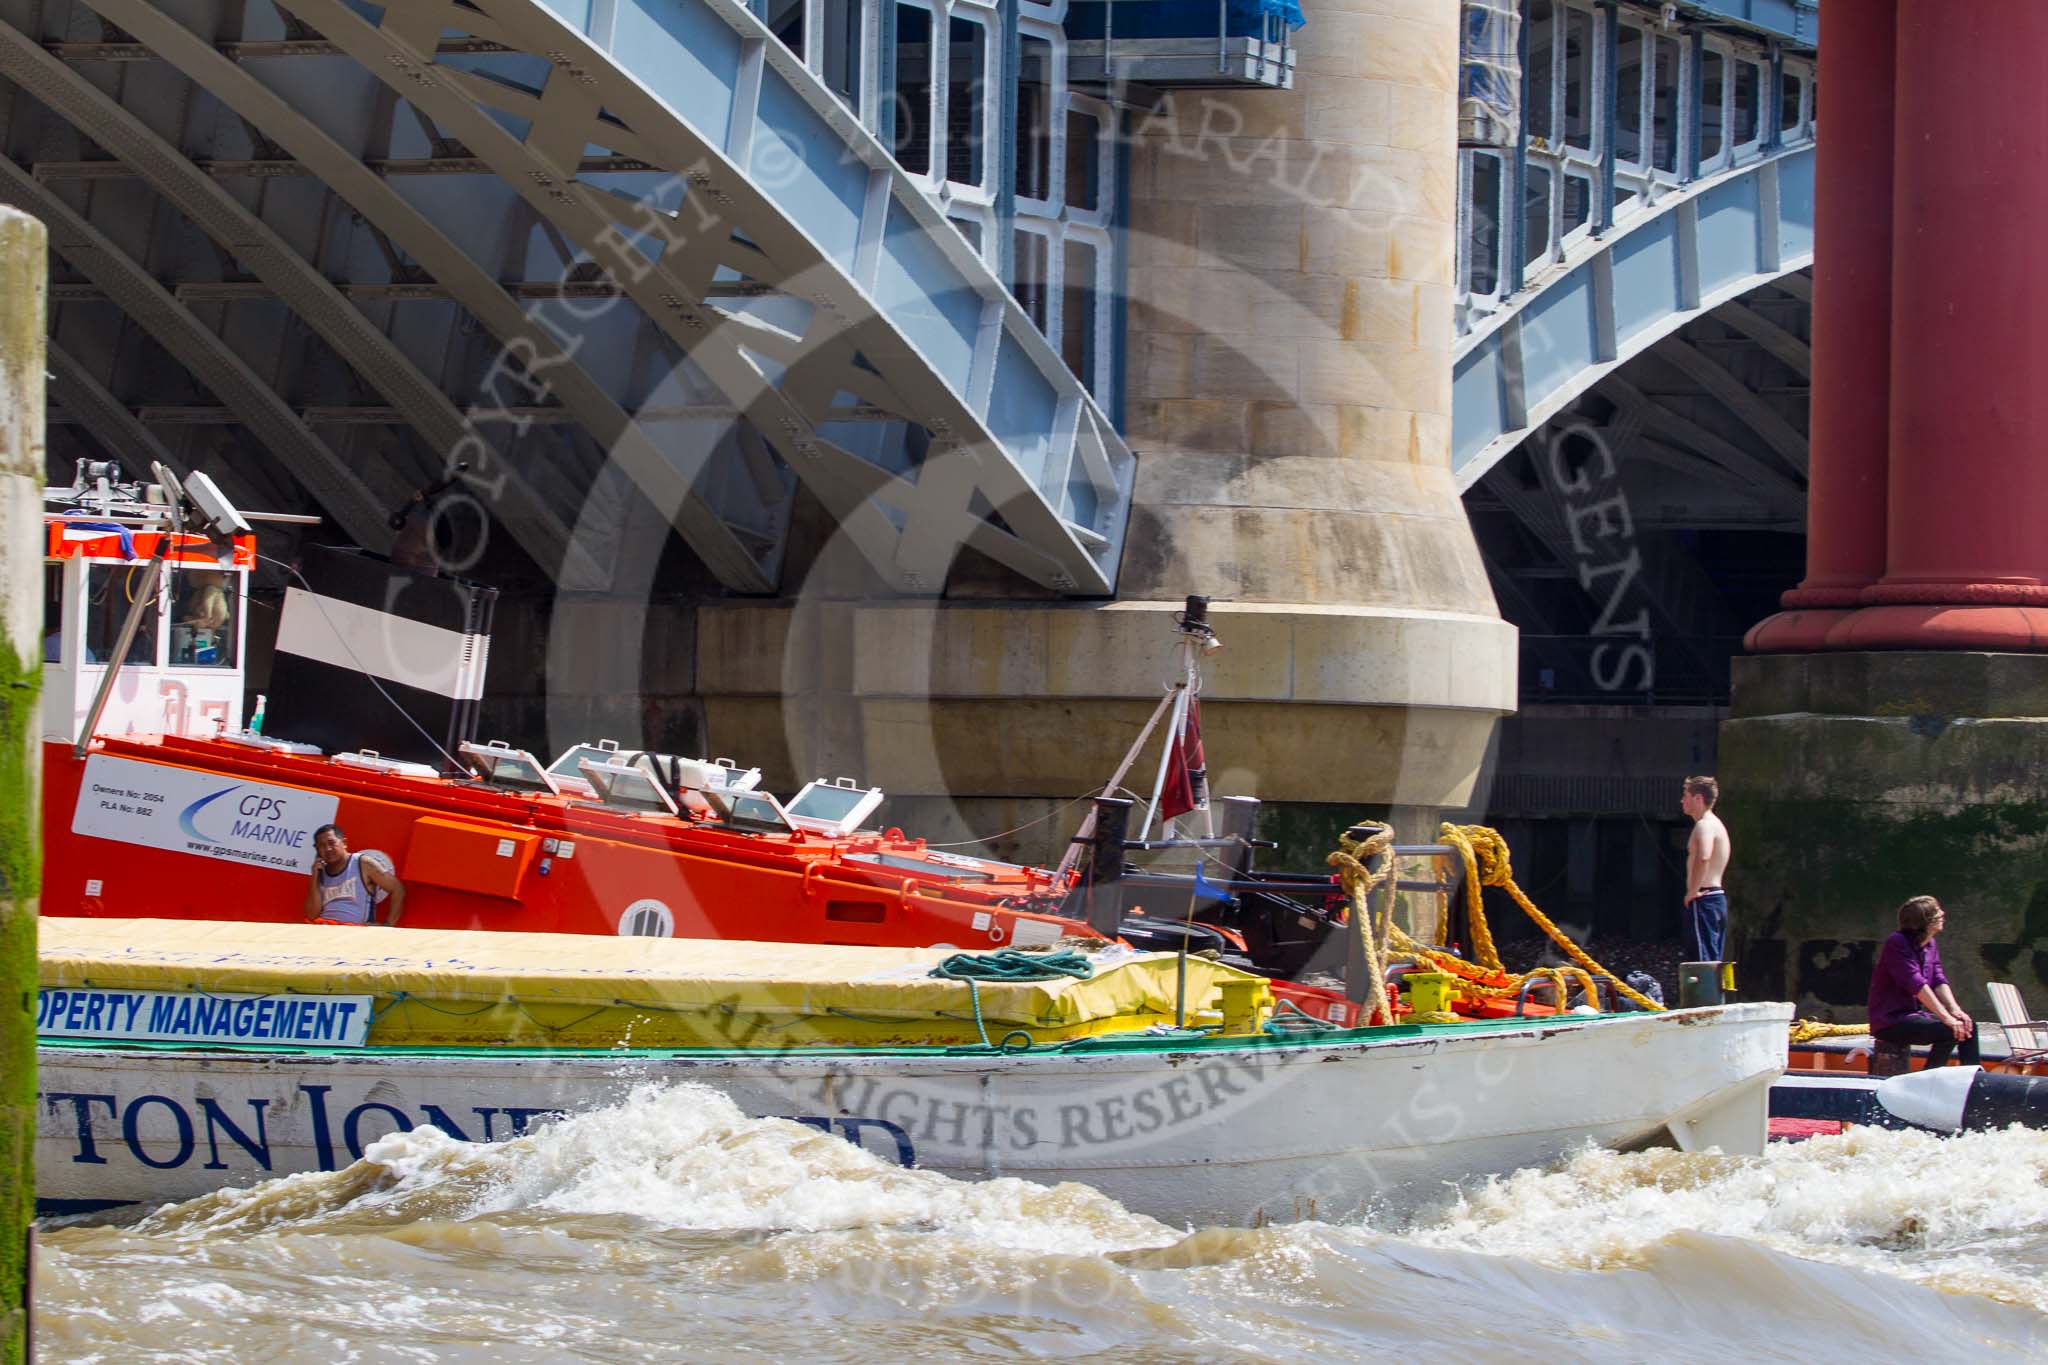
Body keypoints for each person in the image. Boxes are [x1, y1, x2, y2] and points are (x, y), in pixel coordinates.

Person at [1867, 895, 1979, 1068]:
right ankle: (1929, 1078)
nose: (1942, 914)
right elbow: (1916, 984)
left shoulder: (1930, 944)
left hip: (1914, 1016)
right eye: (1936, 912)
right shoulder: (1897, 943)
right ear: (1924, 921)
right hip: (1891, 1021)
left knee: (1968, 1028)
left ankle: (1973, 1080)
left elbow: (1938, 979)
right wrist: (1946, 1018)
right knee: (1949, 1030)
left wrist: (1955, 1011)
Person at [304, 823, 406, 927]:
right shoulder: (320, 871)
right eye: (321, 846)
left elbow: (397, 889)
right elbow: (312, 915)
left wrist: (388, 925)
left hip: (354, 932)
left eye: (331, 843)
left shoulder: (363, 863)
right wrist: (315, 878)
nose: (328, 849)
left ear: (344, 843)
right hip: (324, 928)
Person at [1681, 775, 1731, 962]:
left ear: (1698, 798)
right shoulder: (1717, 825)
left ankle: (1705, 993)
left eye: (1685, 795)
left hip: (1705, 897)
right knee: (1713, 958)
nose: (1682, 801)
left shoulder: (1705, 825)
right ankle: (1717, 992)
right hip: (1716, 899)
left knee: (1702, 961)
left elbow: (1703, 857)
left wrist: (1692, 892)